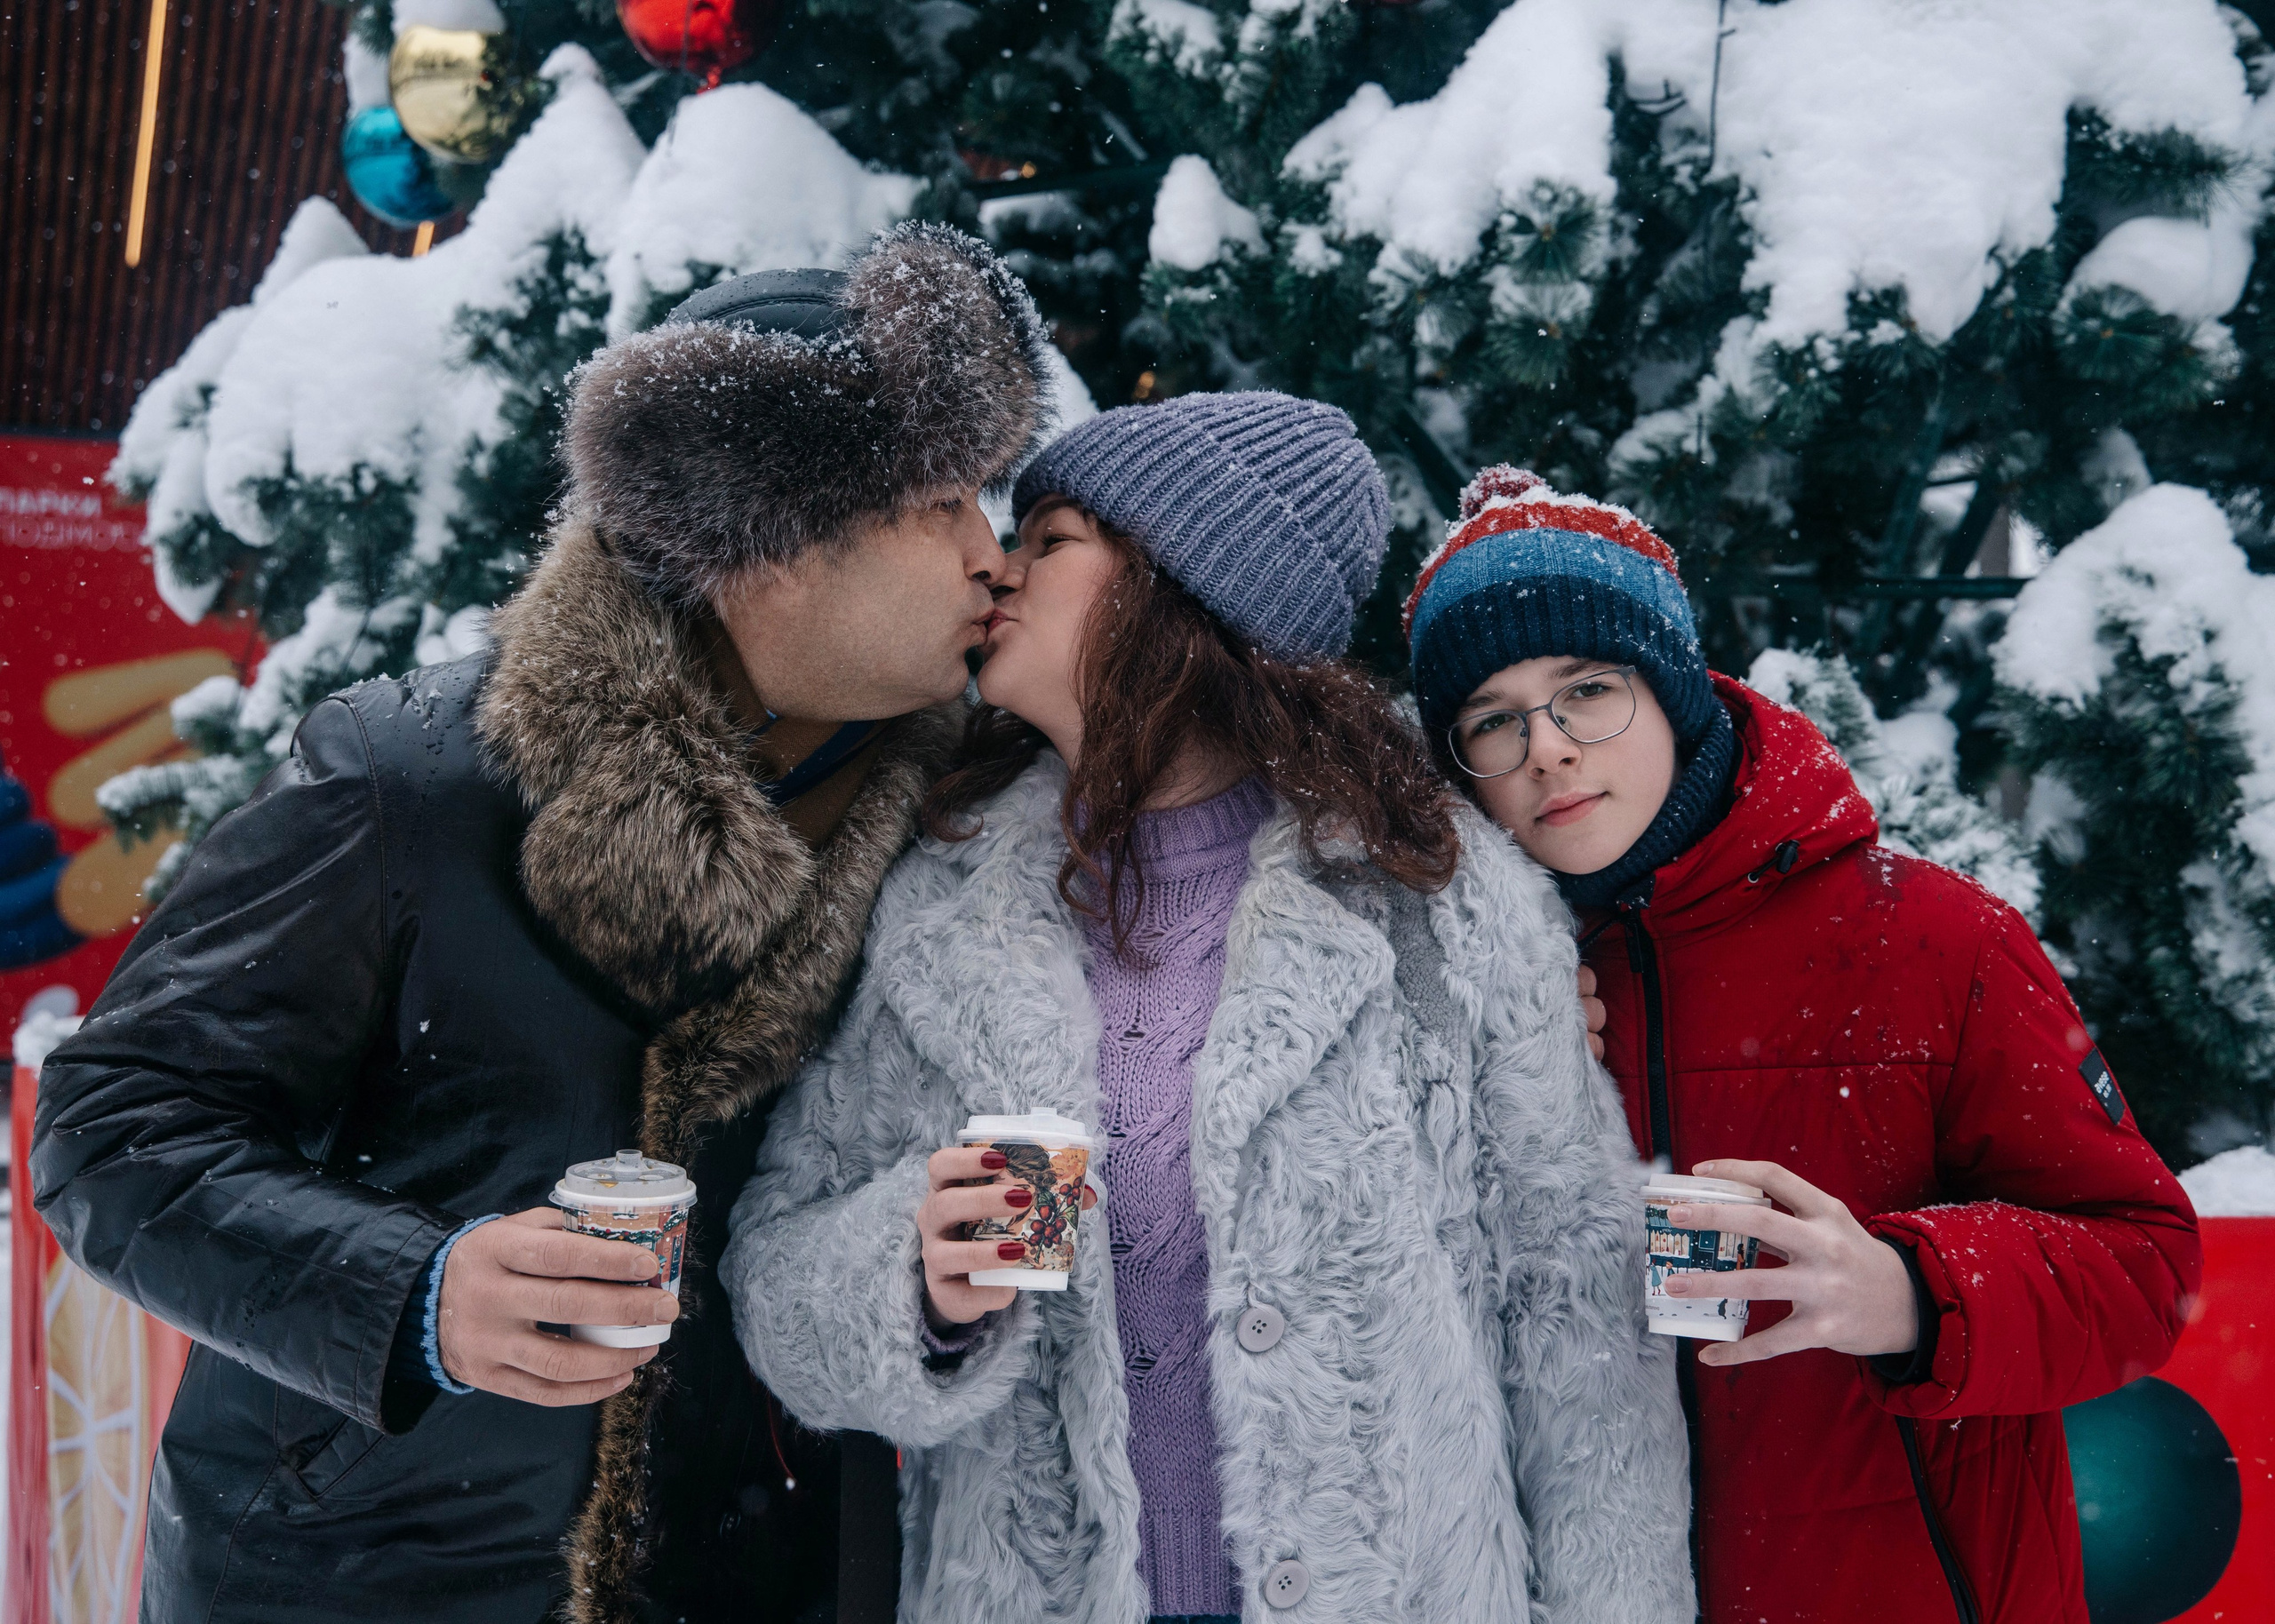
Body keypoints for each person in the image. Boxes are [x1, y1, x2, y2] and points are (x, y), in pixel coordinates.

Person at [30, 223, 1058, 1624]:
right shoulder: (412, 781)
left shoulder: (959, 820)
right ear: (768, 545)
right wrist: (415, 1294)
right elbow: (112, 1129)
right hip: (370, 1581)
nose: (989, 555)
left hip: (743, 1579)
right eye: (938, 504)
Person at [722, 395, 1695, 1624]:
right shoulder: (935, 907)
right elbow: (777, 1274)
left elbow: (1579, 1322)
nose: (999, 566)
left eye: (1054, 536)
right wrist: (911, 1277)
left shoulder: (1431, 903)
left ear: (1178, 594)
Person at [1401, 466, 2204, 1624]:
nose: (1550, 750)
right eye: (1492, 719)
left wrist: (1913, 1293)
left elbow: (2143, 1270)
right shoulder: (1454, 985)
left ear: (1672, 690)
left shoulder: (1931, 940)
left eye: (1588, 690)